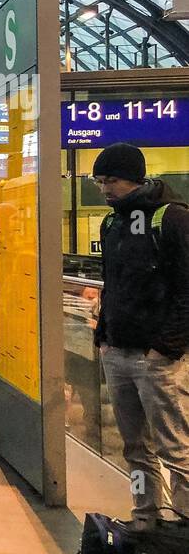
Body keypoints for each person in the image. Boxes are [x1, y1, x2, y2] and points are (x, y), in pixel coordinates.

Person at [92, 142, 189, 527]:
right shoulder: (112, 223)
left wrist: (165, 346)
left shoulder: (173, 219)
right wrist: (103, 334)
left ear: (134, 177)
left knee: (176, 449)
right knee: (135, 448)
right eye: (100, 181)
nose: (104, 189)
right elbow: (111, 284)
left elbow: (186, 289)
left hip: (159, 359)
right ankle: (144, 517)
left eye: (111, 180)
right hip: (117, 351)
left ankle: (183, 530)